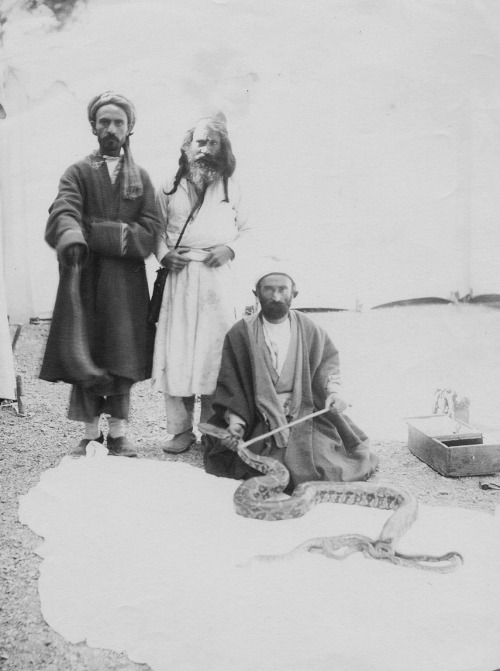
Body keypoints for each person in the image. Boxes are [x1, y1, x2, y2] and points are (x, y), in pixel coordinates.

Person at [41, 91, 161, 457]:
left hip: (125, 282)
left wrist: (100, 233)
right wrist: (74, 236)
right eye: (104, 122)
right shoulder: (78, 172)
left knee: (122, 353)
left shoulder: (140, 177)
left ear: (129, 129)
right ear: (93, 126)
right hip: (87, 279)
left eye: (119, 122)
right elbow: (64, 210)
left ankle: (120, 433)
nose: (111, 129)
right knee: (87, 349)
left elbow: (151, 226)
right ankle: (91, 433)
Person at [203, 270, 378, 488]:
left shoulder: (310, 328)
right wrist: (236, 422)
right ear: (255, 293)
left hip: (304, 412)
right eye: (268, 290)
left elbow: (328, 366)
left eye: (282, 290)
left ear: (294, 293)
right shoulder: (240, 332)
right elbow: (232, 384)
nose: (276, 297)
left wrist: (334, 392)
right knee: (258, 464)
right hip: (257, 414)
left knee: (324, 465)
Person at [152, 111, 253, 454]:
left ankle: (213, 429)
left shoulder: (234, 185)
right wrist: (163, 253)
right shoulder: (168, 184)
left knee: (216, 355)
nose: (205, 149)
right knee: (178, 353)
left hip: (217, 280)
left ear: (222, 146)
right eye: (199, 141)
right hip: (180, 278)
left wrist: (231, 248)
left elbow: (254, 228)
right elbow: (154, 228)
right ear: (187, 145)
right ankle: (180, 431)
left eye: (212, 142)